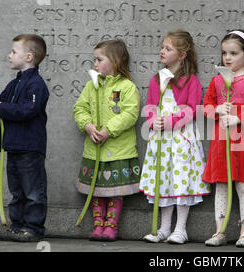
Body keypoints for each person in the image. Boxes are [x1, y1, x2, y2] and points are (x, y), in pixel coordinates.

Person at [140, 30, 210, 244]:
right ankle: (163, 228)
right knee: (164, 181)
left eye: (168, 48)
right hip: (161, 139)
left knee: (180, 180)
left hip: (181, 139)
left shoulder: (191, 81)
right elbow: (150, 106)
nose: (162, 51)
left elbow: (191, 109)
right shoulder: (156, 79)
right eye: (162, 47)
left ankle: (181, 229)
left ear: (182, 55)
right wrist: (153, 120)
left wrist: (170, 121)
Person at [202, 30, 244, 247]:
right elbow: (206, 108)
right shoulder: (216, 80)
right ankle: (219, 231)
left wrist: (238, 118)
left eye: (233, 53)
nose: (227, 58)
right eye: (224, 53)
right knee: (221, 184)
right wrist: (218, 109)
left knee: (242, 184)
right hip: (221, 141)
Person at [73, 40, 141, 241]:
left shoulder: (127, 87)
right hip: (94, 151)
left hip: (119, 151)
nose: (94, 64)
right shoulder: (91, 86)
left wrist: (109, 130)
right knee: (96, 190)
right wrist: (87, 125)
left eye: (99, 59)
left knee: (113, 191)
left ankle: (111, 226)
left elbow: (131, 113)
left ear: (115, 61)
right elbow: (80, 108)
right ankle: (97, 225)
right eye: (94, 59)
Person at [0, 34, 49, 242]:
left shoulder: (36, 84)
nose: (9, 55)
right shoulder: (14, 84)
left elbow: (27, 110)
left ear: (29, 56)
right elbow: (2, 108)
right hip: (12, 146)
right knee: (17, 190)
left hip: (30, 147)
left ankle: (33, 227)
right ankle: (17, 225)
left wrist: (1, 106)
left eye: (14, 52)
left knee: (32, 190)